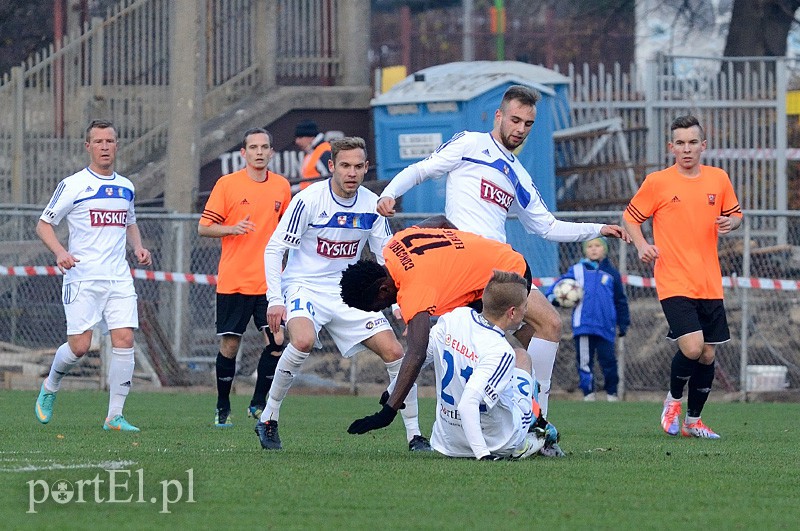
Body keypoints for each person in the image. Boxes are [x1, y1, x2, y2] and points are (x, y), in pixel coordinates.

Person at [376, 84, 629, 419]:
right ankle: (537, 419)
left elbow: (547, 227)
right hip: (467, 266)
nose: (520, 129)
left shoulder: (519, 175)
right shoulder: (470, 144)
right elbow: (422, 169)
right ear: (499, 115)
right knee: (549, 323)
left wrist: (596, 229)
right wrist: (390, 194)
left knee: (537, 335)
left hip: (497, 267)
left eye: (527, 124)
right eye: (515, 120)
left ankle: (531, 416)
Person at [257, 136, 430, 452]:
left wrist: (401, 304)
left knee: (395, 352)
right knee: (303, 341)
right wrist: (275, 299)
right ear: (332, 166)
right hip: (304, 286)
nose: (351, 172)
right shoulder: (309, 200)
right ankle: (269, 417)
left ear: (366, 168)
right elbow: (274, 248)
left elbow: (386, 259)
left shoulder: (371, 204)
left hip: (348, 291)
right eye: (345, 166)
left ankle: (415, 436)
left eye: (358, 166)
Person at [340, 222, 565, 457]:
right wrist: (462, 252)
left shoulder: (414, 289)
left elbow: (417, 353)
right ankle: (534, 420)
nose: (382, 309)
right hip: (494, 265)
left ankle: (536, 426)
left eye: (376, 306)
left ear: (383, 288)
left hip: (505, 279)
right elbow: (440, 221)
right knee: (473, 345)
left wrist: (387, 413)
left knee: (498, 356)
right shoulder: (394, 244)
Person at [622, 115, 742, 439]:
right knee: (692, 347)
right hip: (673, 278)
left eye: (692, 142)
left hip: (709, 280)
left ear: (703, 145)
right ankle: (672, 403)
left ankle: (693, 422)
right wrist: (642, 244)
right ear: (670, 147)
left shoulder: (718, 179)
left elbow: (735, 214)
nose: (686, 149)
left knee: (708, 352)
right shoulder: (658, 182)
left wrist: (733, 223)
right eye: (680, 143)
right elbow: (631, 218)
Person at [34, 119, 152, 432]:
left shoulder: (126, 186)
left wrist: (138, 247)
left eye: (109, 141)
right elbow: (44, 224)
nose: (104, 147)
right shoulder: (73, 184)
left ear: (116, 145)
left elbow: (129, 221)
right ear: (88, 146)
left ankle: (114, 416)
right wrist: (60, 252)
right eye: (98, 142)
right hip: (82, 277)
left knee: (124, 339)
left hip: (118, 276)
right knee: (80, 346)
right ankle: (52, 383)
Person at [198, 128, 292, 428]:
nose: (260, 152)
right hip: (235, 280)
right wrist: (231, 228)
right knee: (230, 346)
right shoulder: (227, 185)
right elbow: (204, 226)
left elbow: (287, 231)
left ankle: (258, 402)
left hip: (268, 283)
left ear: (271, 152)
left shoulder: (281, 187)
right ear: (244, 153)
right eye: (253, 147)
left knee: (278, 342)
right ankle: (222, 405)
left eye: (265, 147)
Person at [427, 271, 546, 460]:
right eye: (525, 306)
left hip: (447, 442)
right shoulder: (500, 351)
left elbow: (420, 357)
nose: (526, 310)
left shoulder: (456, 317)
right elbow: (468, 403)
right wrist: (483, 455)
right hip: (497, 442)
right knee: (522, 357)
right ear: (512, 312)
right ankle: (534, 431)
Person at [545, 237, 630, 401]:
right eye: (590, 246)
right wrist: (552, 297)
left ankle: (612, 394)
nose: (593, 249)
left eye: (597, 245)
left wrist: (623, 322)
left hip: (606, 326)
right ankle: (588, 393)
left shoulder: (612, 273)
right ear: (585, 250)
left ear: (604, 249)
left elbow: (620, 300)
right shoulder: (576, 270)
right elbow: (560, 285)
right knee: (584, 361)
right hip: (583, 325)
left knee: (609, 361)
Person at [294, 119, 331, 192]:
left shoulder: (325, 152)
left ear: (311, 137)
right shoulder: (311, 152)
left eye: (300, 137)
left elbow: (330, 183)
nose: (297, 141)